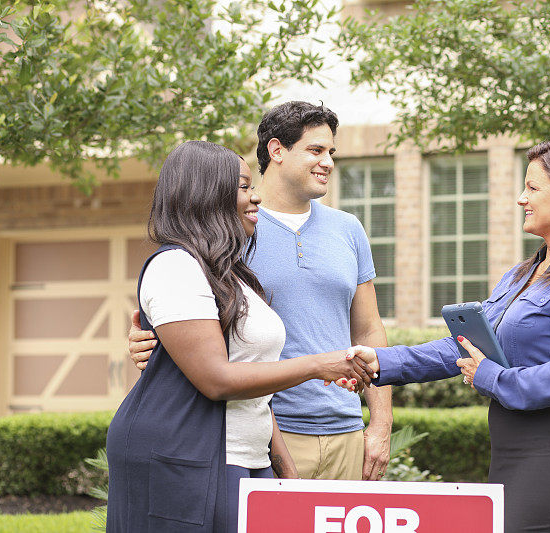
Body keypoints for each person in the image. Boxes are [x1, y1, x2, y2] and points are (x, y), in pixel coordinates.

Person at [348, 139, 550, 533]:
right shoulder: (521, 274)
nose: (520, 198)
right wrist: (382, 361)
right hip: (511, 453)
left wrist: (489, 376)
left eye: (532, 187)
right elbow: (466, 346)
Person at [106, 141, 371, 533]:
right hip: (183, 459)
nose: (256, 197)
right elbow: (217, 379)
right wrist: (319, 365)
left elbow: (254, 381)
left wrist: (283, 467)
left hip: (246, 458)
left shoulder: (232, 277)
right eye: (244, 187)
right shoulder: (175, 267)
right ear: (207, 193)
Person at [127, 101, 393, 481]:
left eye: (331, 152)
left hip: (344, 429)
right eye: (316, 150)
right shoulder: (233, 228)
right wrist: (152, 340)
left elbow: (368, 330)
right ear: (276, 150)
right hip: (267, 431)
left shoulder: (349, 230)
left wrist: (380, 425)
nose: (328, 163)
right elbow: (193, 316)